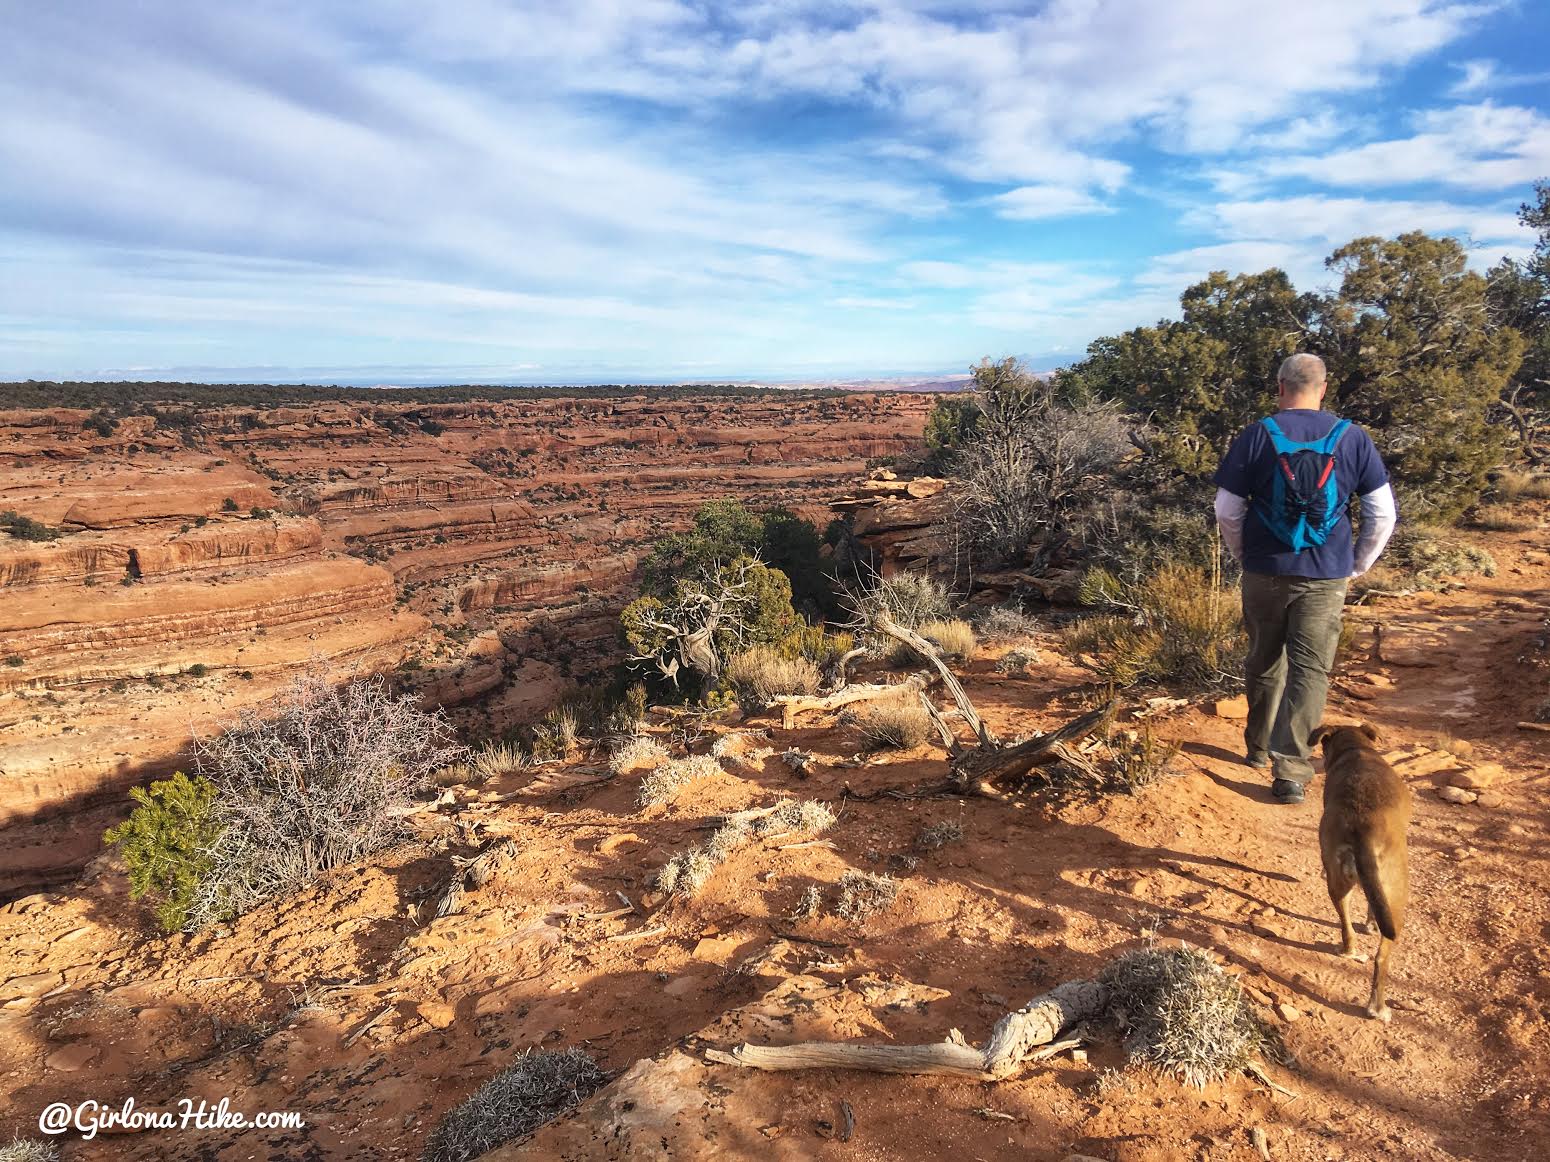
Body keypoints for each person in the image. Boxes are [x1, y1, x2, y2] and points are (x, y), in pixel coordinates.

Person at [1213, 353, 1397, 805]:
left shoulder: (1257, 435)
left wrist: (1245, 555)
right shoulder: (1352, 438)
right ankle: (1291, 770)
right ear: (1324, 387)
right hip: (1325, 574)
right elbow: (1382, 513)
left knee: (1263, 658)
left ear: (1280, 387)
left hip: (1265, 569)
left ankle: (1257, 747)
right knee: (1310, 670)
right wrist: (1357, 563)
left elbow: (1226, 509)